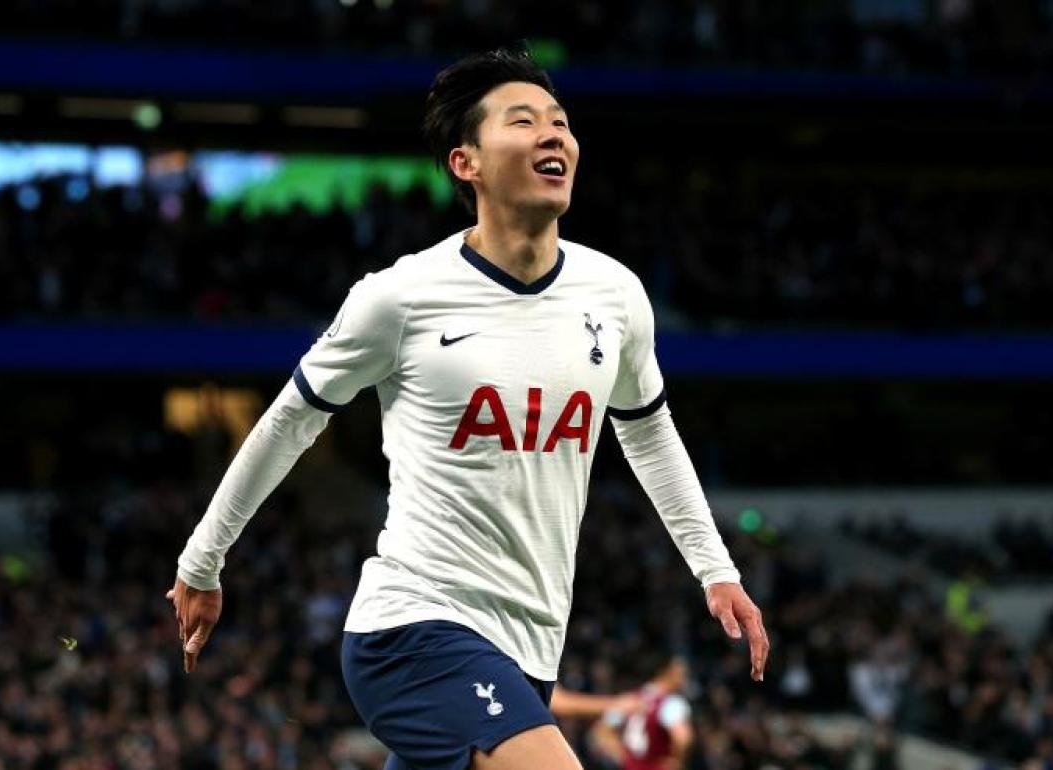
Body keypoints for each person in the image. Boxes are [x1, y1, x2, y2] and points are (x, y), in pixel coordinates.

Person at [167, 47, 768, 770]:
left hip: (529, 650)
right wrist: (203, 559)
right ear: (466, 162)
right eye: (524, 121)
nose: (553, 135)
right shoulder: (400, 298)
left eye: (560, 122)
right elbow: (291, 420)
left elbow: (649, 434)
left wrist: (715, 569)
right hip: (414, 629)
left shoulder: (615, 295)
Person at [591, 655, 694, 770]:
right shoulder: (672, 703)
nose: (684, 678)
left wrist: (623, 757)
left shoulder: (630, 698)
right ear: (666, 672)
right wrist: (677, 761)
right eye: (681, 673)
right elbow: (682, 738)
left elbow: (601, 730)